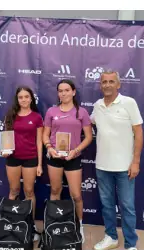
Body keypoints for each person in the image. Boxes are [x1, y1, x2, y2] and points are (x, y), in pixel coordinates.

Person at [91, 70, 144, 250]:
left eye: (111, 81)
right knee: (107, 205)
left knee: (127, 206)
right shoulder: (97, 105)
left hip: (124, 166)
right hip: (102, 165)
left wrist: (135, 162)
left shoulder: (129, 103)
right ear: (100, 85)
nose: (107, 85)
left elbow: (138, 133)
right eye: (104, 82)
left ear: (118, 84)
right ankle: (111, 237)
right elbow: (88, 122)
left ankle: (131, 244)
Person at [43, 79, 93, 241]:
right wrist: (49, 148)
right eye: (60, 91)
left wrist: (76, 151)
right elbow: (45, 134)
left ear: (73, 92)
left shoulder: (81, 112)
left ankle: (79, 226)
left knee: (76, 195)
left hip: (73, 158)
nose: (63, 93)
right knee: (55, 191)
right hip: (55, 157)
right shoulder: (51, 111)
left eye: (66, 90)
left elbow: (89, 137)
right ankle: (53, 225)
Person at [3, 86, 44, 237]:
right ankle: (11, 224)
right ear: (17, 99)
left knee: (29, 192)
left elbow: (39, 142)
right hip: (13, 158)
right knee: (14, 191)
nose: (24, 100)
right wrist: (4, 150)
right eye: (21, 97)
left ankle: (30, 225)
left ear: (31, 98)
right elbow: (6, 137)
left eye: (26, 97)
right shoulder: (10, 115)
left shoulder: (37, 117)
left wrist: (39, 164)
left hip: (30, 158)